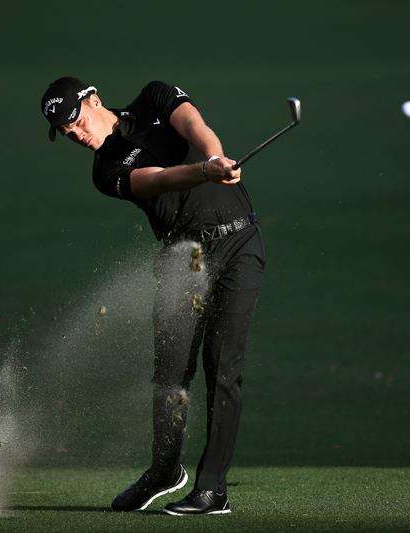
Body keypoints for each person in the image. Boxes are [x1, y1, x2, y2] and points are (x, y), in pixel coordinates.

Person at [40, 77, 265, 515]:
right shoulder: (105, 171)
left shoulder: (154, 98)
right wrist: (204, 171)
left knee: (222, 368)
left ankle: (212, 489)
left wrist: (213, 155)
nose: (75, 134)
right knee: (170, 375)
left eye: (75, 120)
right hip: (185, 258)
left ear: (94, 100)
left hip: (239, 245)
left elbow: (196, 128)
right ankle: (165, 470)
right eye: (65, 133)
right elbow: (159, 180)